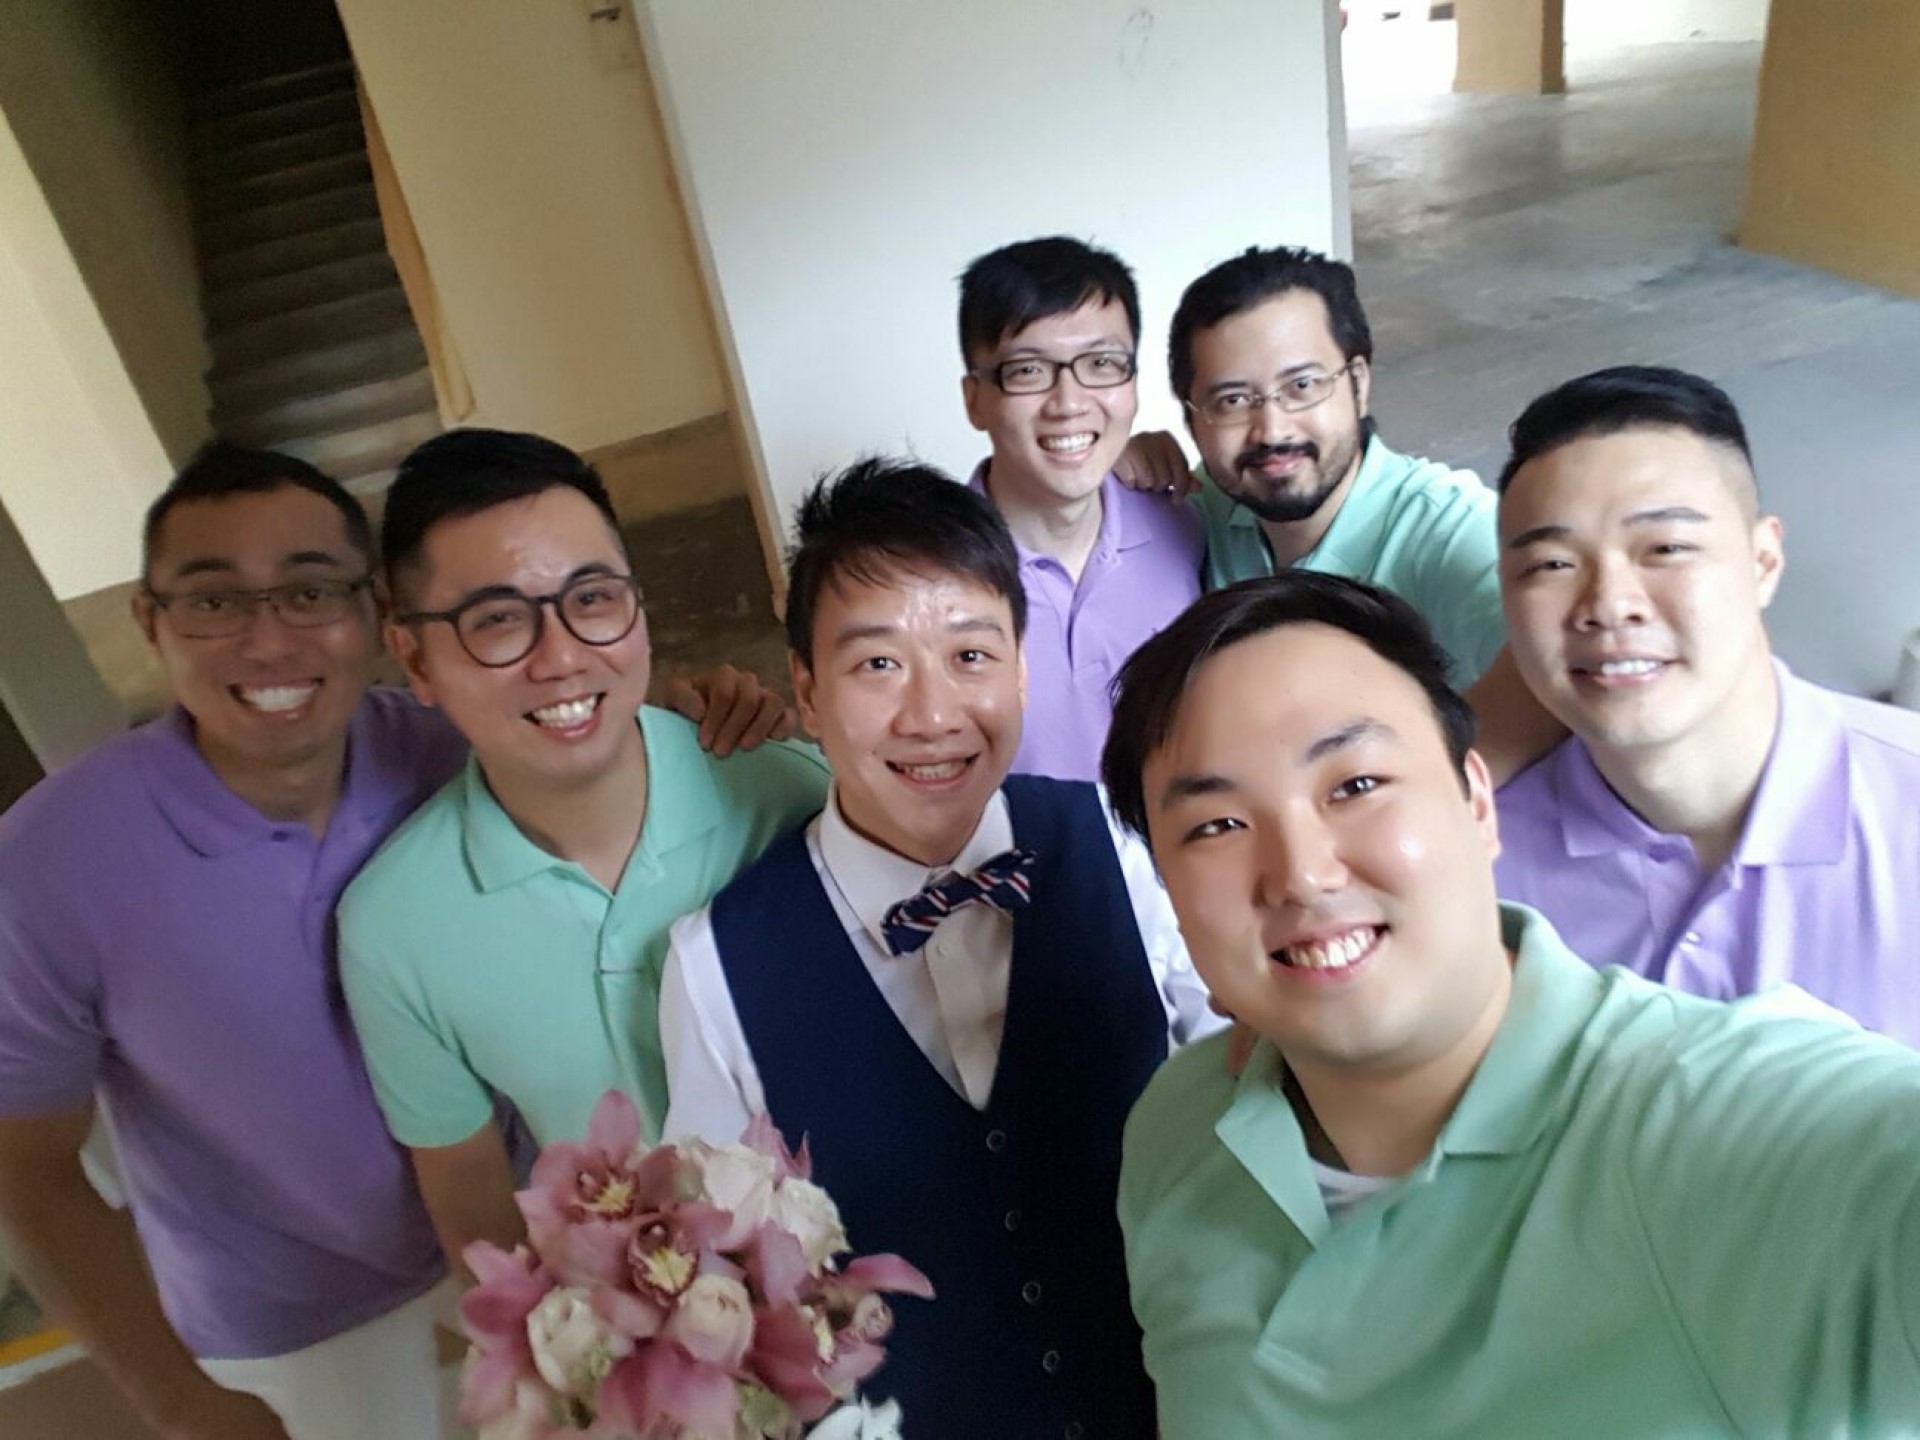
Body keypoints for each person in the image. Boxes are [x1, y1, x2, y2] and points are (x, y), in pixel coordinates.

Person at [1100, 570, 1920, 1438]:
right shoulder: (1177, 1131)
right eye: (1216, 827)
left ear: (1478, 803)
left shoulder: (1705, 1119)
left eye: (1356, 786)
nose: (1301, 873)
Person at [658, 459, 1219, 1440]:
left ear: (1020, 669)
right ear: (806, 690)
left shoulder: (1121, 844)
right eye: (878, 664)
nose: (931, 716)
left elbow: (1238, 1082)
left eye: (970, 655)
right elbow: (724, 1282)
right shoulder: (715, 963)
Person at [0, 445, 466, 1440]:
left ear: (374, 611)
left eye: (311, 591)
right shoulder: (49, 866)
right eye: (214, 602)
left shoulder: (453, 755)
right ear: (151, 622)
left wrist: (712, 717)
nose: (268, 641)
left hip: (516, 1239)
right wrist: (183, 1404)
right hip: (285, 1332)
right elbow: (27, 1168)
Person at [337, 428, 829, 1281]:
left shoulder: (785, 795)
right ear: (415, 657)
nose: (562, 657)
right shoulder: (394, 927)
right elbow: (473, 1204)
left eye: (593, 599)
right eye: (498, 621)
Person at [1492, 365, 1920, 1045]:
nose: (1609, 605)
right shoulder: (1474, 867)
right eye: (1552, 565)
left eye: (1665, 549)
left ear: (1763, 561)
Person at [1164, 244, 1556, 778]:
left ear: (1358, 383)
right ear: (1192, 419)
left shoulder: (1447, 530)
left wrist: (1422, 794)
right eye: (1232, 400)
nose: (1272, 430)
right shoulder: (1204, 503)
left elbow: (1561, 669)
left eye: (1302, 386)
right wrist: (1118, 459)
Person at [956, 236, 1205, 781]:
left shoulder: (1187, 523)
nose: (1069, 403)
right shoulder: (929, 573)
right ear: (974, 400)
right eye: (1027, 370)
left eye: (1101, 363)